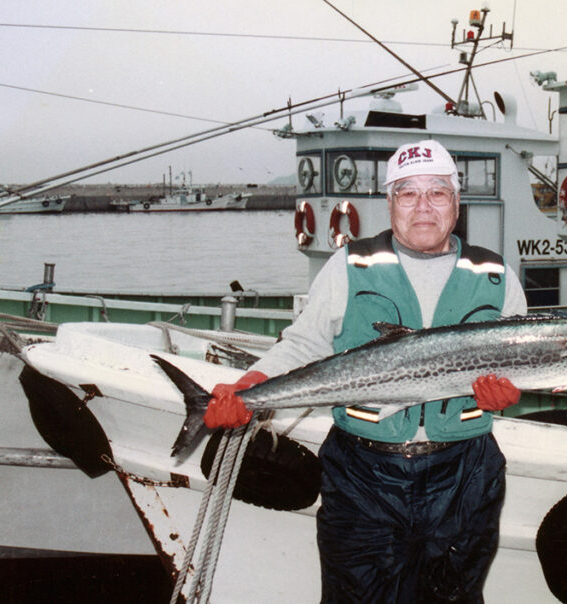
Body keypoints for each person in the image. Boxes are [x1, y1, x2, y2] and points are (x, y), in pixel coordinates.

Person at [204, 139, 528, 603]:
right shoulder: (349, 265)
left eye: (437, 193)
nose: (423, 207)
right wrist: (248, 387)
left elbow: (519, 361)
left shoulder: (496, 275)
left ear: (457, 204)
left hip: (464, 474)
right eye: (407, 193)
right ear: (390, 203)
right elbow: (304, 343)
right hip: (363, 475)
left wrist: (508, 391)